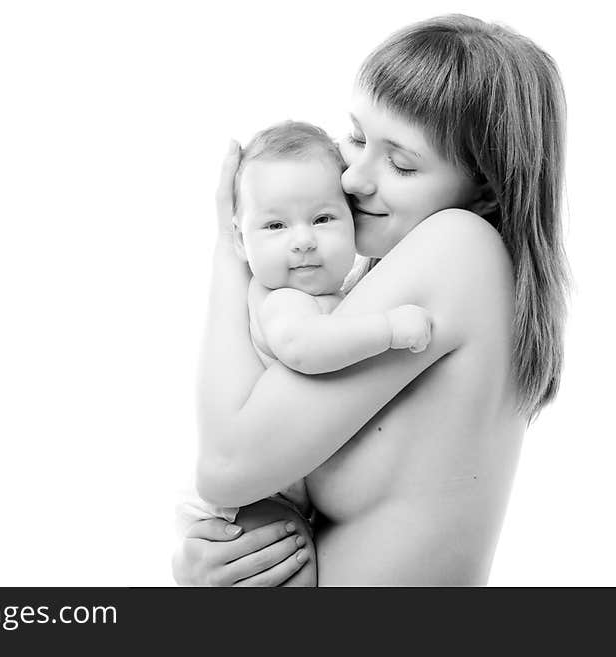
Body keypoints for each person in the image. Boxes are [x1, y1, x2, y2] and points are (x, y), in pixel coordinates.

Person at [173, 14, 568, 586]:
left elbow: (227, 465)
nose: (354, 178)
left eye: (401, 162)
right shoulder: (372, 283)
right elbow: (243, 473)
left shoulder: (459, 246)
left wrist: (230, 247)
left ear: (484, 186)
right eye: (356, 138)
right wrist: (217, 557)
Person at [177, 120, 432, 586]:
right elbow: (306, 348)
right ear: (240, 239)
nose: (303, 239)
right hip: (259, 500)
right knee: (284, 556)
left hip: (283, 482)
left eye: (322, 218)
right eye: (275, 225)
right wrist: (390, 329)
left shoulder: (343, 292)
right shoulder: (284, 301)